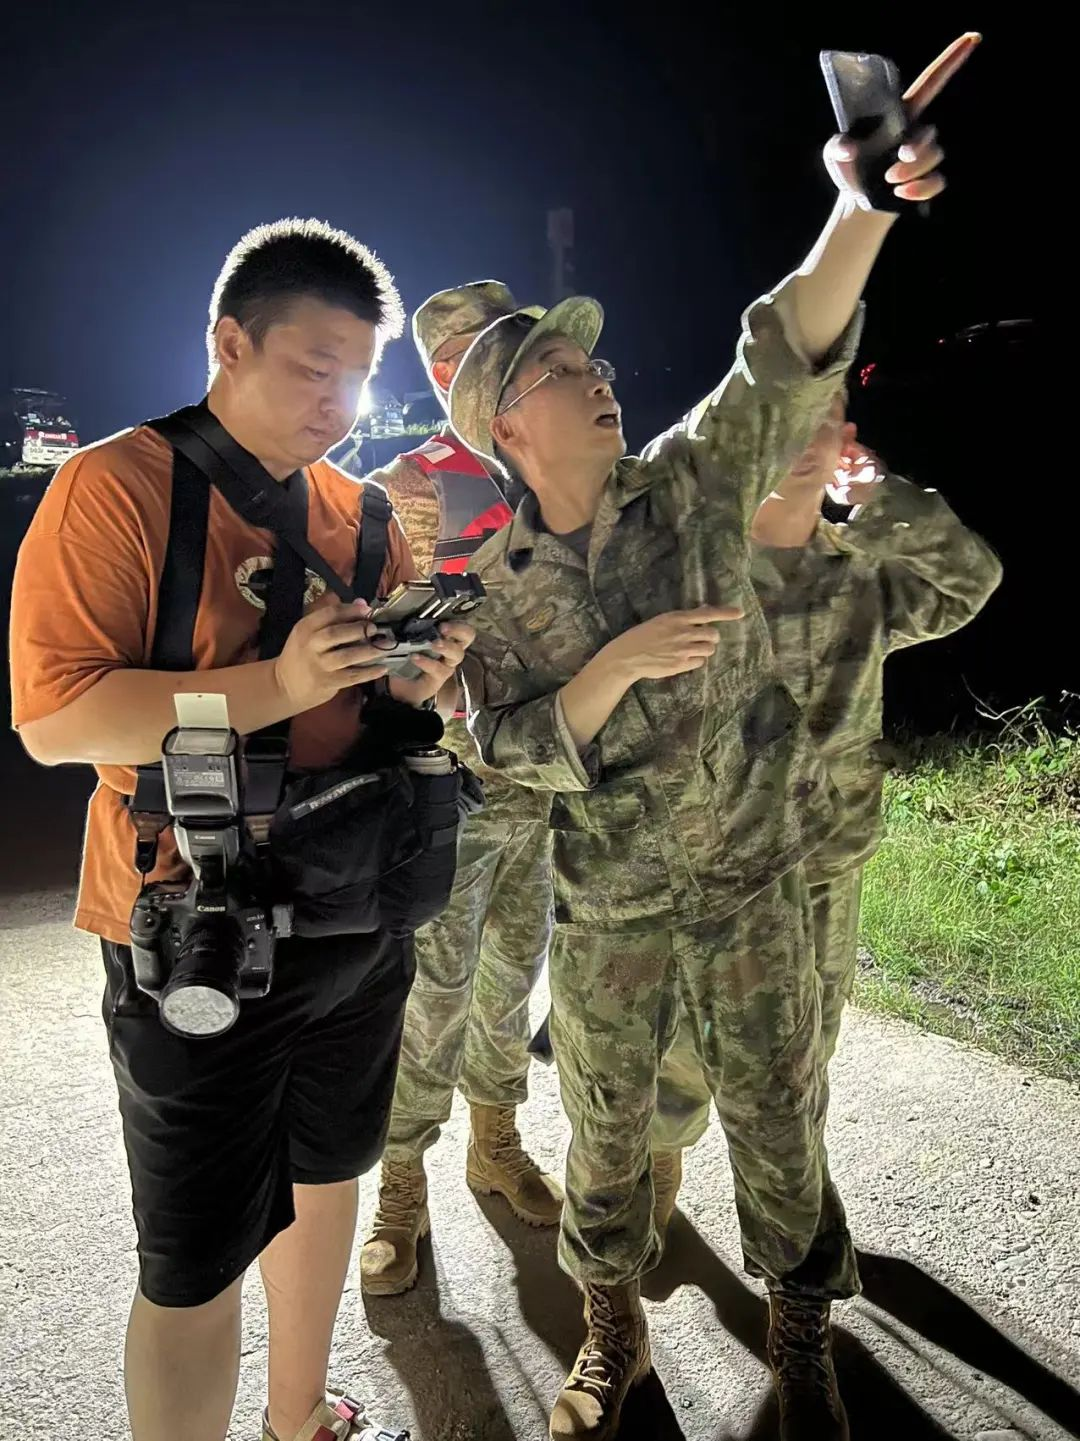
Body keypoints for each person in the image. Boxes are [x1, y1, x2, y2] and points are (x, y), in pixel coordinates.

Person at [450, 36, 979, 1441]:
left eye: (596, 354)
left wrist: (860, 202)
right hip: (614, 915)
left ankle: (799, 1339)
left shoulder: (686, 489)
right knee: (611, 1141)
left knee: (781, 1127)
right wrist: (602, 677)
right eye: (564, 367)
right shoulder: (495, 594)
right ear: (506, 422)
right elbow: (486, 747)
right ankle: (611, 1327)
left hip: (753, 891)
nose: (598, 372)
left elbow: (782, 353)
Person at [8, 218, 475, 1441]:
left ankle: (298, 1412)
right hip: (191, 918)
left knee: (329, 1178)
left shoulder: (363, 514)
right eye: (311, 365)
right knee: (195, 1252)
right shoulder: (114, 486)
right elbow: (56, 721)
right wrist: (276, 685)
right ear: (229, 340)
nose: (338, 399)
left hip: (355, 908)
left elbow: (360, 710)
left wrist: (408, 684)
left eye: (357, 373)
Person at [651, 392, 1004, 1214]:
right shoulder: (696, 570)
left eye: (825, 415)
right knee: (681, 1051)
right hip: (711, 861)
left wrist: (881, 500)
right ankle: (658, 1162)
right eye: (784, 412)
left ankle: (794, 1246)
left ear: (846, 436)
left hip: (822, 859)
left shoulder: (864, 571)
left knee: (803, 1052)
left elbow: (969, 581)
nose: (803, 435)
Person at [360, 282, 561, 1299]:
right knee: (430, 998)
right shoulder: (411, 484)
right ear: (445, 376)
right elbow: (373, 641)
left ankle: (498, 1144)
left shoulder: (556, 469)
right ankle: (399, 1187)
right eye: (469, 361)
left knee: (514, 977)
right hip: (451, 791)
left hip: (541, 786)